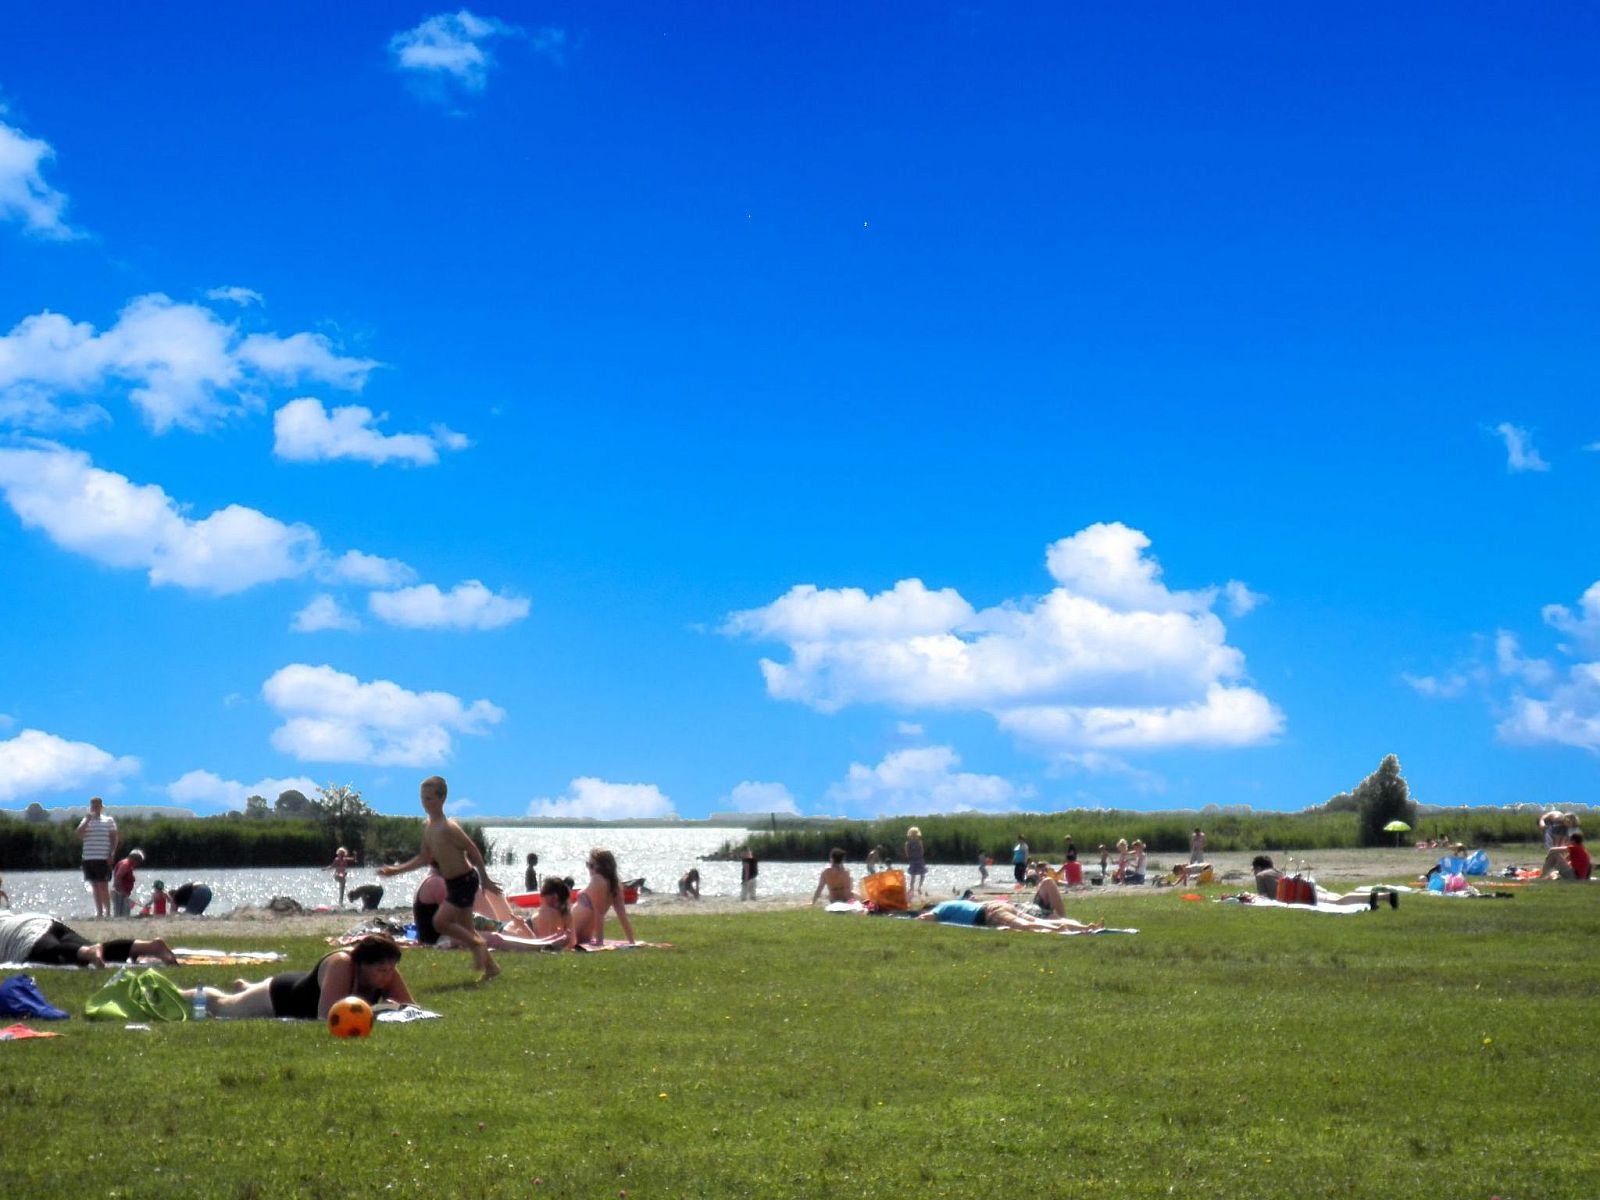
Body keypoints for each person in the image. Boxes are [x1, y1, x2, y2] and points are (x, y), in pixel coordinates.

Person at [379, 775, 502, 982]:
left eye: (430, 799)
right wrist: (396, 870)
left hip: (465, 880)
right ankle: (491, 968)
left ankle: (478, 945)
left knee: (439, 921)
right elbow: (424, 858)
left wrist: (485, 879)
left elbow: (472, 850)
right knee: (467, 929)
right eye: (422, 799)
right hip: (453, 883)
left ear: (442, 798)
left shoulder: (448, 827)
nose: (425, 803)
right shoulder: (429, 827)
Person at [182, 934, 413, 1020]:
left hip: (303, 985)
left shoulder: (386, 969)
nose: (387, 976)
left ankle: (247, 986)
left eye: (390, 970)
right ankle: (180, 994)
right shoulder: (343, 965)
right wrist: (381, 1010)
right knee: (223, 1006)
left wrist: (395, 1010)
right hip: (280, 997)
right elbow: (328, 1016)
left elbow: (411, 1009)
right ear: (362, 965)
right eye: (381, 971)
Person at [0, 910, 177, 968]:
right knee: (97, 950)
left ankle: (87, 952)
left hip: (23, 937)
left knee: (52, 953)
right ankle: (150, 947)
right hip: (41, 920)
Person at [917, 896, 1103, 935]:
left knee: (1022, 925)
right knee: (1036, 919)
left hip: (988, 912)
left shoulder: (940, 908)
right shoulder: (953, 901)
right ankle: (1086, 926)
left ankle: (1057, 928)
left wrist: (916, 918)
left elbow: (928, 918)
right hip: (998, 905)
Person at [573, 848, 637, 946]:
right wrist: (631, 941)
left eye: (591, 865)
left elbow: (599, 914)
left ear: (602, 866)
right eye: (588, 865)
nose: (589, 869)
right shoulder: (615, 885)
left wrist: (599, 942)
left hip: (571, 934)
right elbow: (622, 916)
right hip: (583, 936)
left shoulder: (597, 880)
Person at [76, 795, 118, 919]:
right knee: (94, 886)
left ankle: (108, 911)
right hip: (88, 857)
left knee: (103, 885)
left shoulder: (108, 820)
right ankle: (99, 912)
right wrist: (87, 820)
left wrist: (112, 853)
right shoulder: (86, 820)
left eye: (97, 806)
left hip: (103, 857)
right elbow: (78, 834)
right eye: (93, 806)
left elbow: (114, 837)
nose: (95, 808)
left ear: (101, 807)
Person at [111, 848, 145, 917]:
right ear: (135, 860)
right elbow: (118, 877)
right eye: (139, 861)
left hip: (123, 893)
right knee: (121, 914)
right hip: (120, 893)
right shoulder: (126, 864)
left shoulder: (128, 864)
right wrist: (122, 891)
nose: (138, 864)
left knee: (123, 913)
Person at [904, 827, 927, 898]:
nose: (914, 836)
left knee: (922, 874)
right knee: (913, 875)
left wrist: (920, 857)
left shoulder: (919, 842)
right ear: (910, 835)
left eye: (915, 834)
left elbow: (922, 850)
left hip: (919, 859)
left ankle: (919, 887)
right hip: (913, 860)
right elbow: (907, 852)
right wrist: (910, 857)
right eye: (913, 834)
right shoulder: (908, 843)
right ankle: (912, 889)